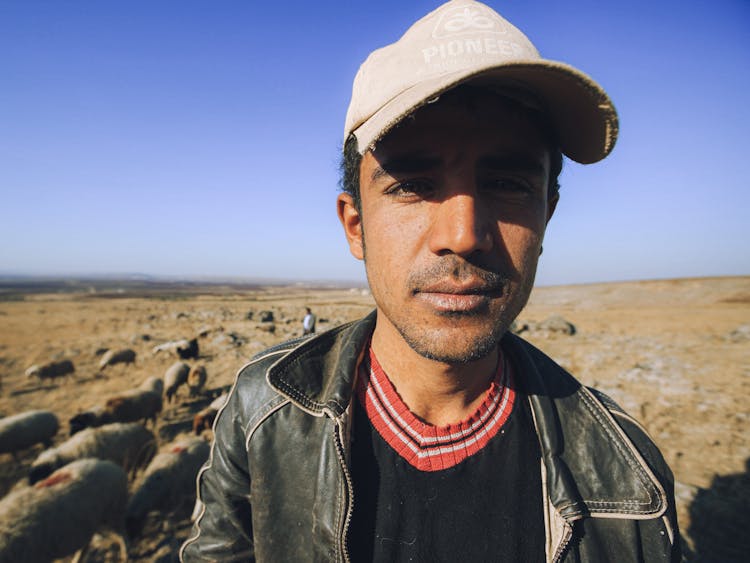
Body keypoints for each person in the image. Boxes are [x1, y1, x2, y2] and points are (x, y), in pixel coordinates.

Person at [181, 1, 681, 561]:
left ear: (547, 215)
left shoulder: (630, 478)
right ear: (356, 226)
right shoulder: (263, 410)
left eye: (508, 183)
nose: (464, 234)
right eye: (413, 185)